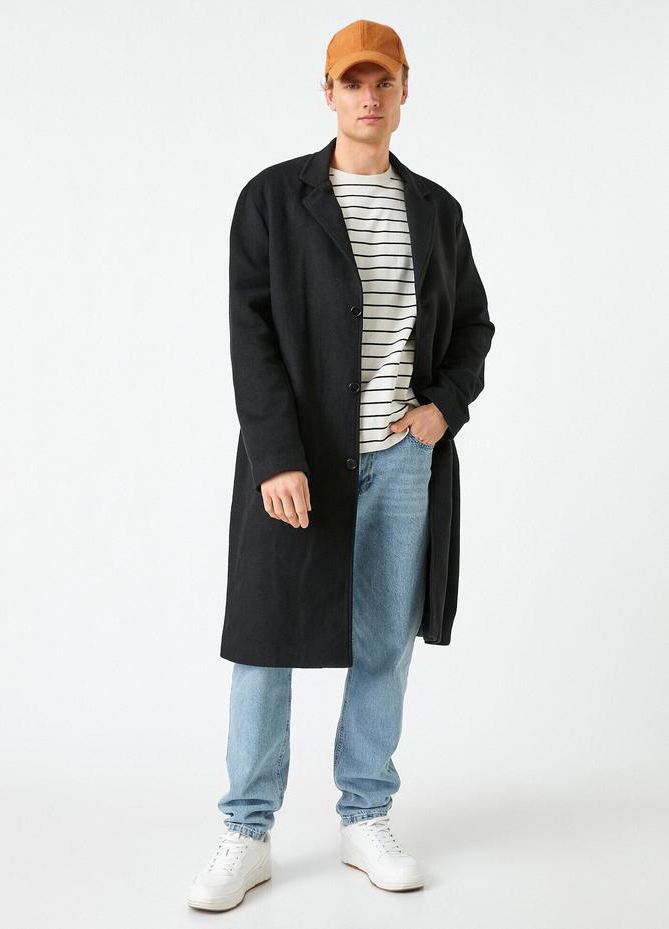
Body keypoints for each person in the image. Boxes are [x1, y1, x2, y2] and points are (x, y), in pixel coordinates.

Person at [188, 19, 495, 911]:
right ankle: (247, 829)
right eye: (352, 82)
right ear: (327, 93)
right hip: (300, 461)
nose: (368, 97)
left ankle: (365, 812)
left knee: (385, 637)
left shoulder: (434, 210)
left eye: (383, 81)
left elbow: (474, 325)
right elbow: (251, 335)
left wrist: (442, 408)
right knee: (265, 636)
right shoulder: (273, 199)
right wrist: (276, 457)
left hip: (401, 461)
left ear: (404, 91)